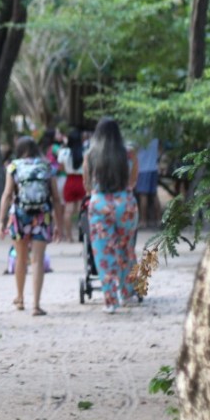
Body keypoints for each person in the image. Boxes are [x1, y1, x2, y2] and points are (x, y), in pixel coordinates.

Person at [0, 137, 63, 316]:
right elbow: (56, 198)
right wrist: (59, 224)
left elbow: (7, 194)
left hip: (19, 216)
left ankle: (20, 299)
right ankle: (36, 305)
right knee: (38, 260)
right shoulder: (47, 166)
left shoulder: (13, 167)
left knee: (20, 258)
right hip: (42, 217)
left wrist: (1, 221)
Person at [83, 117, 140, 313]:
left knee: (103, 252)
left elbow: (87, 184)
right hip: (125, 203)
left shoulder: (91, 154)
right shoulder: (128, 152)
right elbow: (133, 180)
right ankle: (126, 291)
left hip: (99, 204)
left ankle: (110, 299)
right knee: (126, 247)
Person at [57, 129, 86, 242]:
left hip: (69, 180)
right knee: (81, 210)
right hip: (81, 181)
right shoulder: (85, 151)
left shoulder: (64, 152)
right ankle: (82, 235)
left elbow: (61, 168)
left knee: (68, 210)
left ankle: (69, 236)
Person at [134, 138, 160, 228]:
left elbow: (134, 148)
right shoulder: (155, 135)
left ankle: (143, 220)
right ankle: (158, 219)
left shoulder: (140, 134)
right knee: (154, 194)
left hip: (143, 168)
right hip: (154, 168)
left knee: (143, 195)